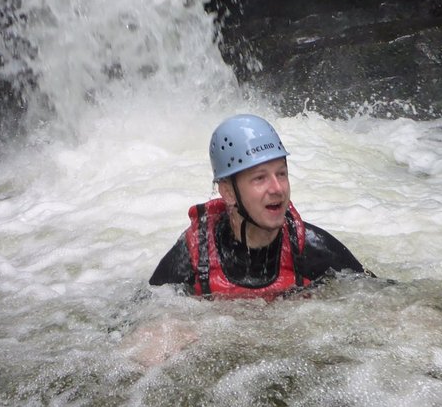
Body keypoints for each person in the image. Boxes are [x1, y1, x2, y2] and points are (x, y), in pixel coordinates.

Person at [149, 114, 370, 298]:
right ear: (227, 191)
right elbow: (141, 316)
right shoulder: (194, 257)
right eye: (260, 178)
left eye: (281, 174)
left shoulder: (311, 249)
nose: (277, 188)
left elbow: (381, 300)